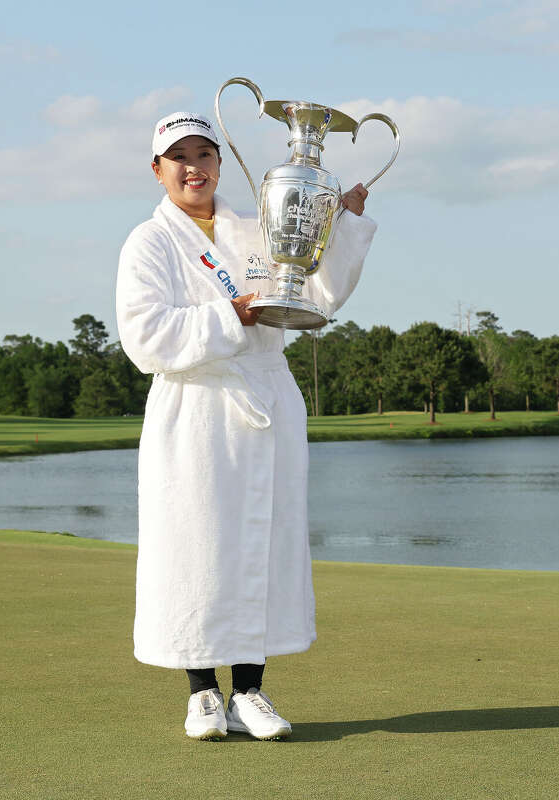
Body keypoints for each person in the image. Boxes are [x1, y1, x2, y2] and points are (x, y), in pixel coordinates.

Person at [116, 111, 376, 740]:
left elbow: (316, 296)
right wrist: (229, 315)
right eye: (179, 157)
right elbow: (145, 338)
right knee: (197, 545)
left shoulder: (257, 229)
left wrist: (336, 226)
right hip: (195, 406)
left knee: (263, 539)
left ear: (219, 163)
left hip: (266, 399)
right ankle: (202, 693)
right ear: (157, 170)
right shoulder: (149, 243)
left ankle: (249, 693)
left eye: (204, 155)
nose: (193, 168)